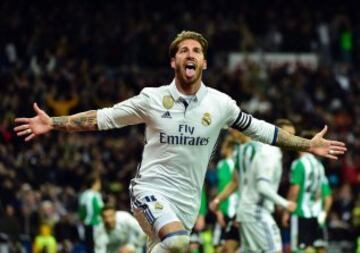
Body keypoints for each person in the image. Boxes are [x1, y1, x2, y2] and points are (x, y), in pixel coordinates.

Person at [14, 31, 346, 253]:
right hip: (149, 191)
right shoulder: (152, 99)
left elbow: (263, 131)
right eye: (183, 50)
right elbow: (101, 118)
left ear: (203, 62)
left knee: (173, 244)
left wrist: (307, 144)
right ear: (174, 62)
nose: (190, 54)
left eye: (197, 50)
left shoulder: (221, 105)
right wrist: (53, 123)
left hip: (187, 203)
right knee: (175, 241)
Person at [210, 120, 297, 253]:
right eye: (288, 134)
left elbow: (236, 181)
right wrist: (286, 204)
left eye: (293, 135)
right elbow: (260, 186)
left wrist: (217, 200)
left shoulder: (246, 149)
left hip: (244, 210)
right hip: (256, 211)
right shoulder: (269, 151)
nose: (292, 139)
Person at [283, 131, 333, 253]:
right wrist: (324, 213)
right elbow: (328, 197)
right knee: (320, 248)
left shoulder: (299, 164)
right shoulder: (319, 166)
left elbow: (295, 190)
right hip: (317, 214)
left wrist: (286, 211)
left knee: (299, 249)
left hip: (301, 214)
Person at [212, 136, 239, 253]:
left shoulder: (224, 164)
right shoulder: (239, 164)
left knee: (220, 246)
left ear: (229, 149)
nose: (222, 149)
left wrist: (219, 211)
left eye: (224, 146)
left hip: (227, 210)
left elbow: (223, 187)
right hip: (238, 211)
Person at [79, 174, 104, 253]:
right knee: (93, 248)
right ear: (94, 183)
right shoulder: (90, 195)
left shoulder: (93, 194)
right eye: (99, 182)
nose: (100, 185)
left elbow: (82, 212)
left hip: (93, 225)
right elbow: (92, 210)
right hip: (93, 225)